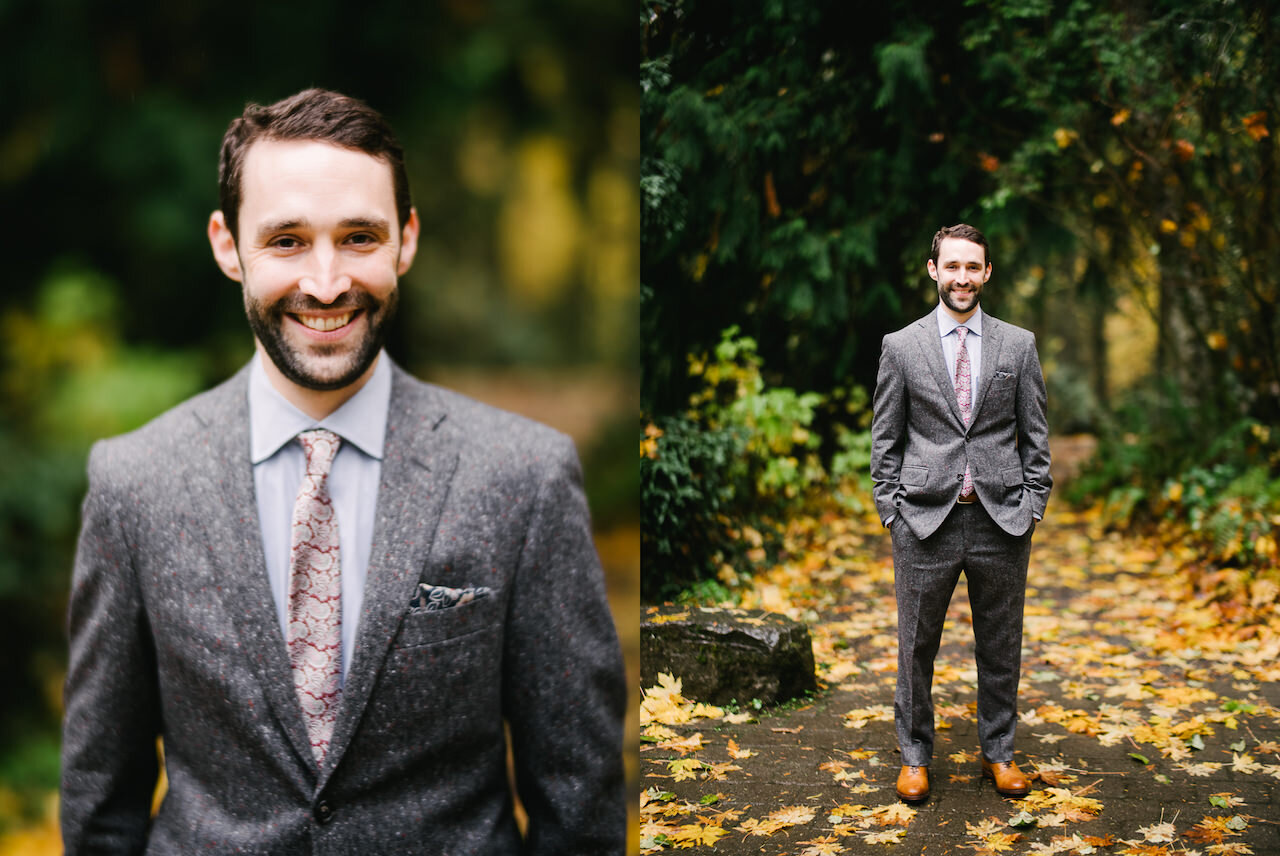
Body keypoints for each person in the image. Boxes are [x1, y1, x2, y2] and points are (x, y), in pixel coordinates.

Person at [60, 88, 626, 854]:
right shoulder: (135, 484)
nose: (326, 284)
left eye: (359, 237)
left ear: (406, 240)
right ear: (228, 247)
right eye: (286, 240)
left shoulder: (525, 476)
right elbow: (102, 810)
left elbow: (579, 801)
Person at [869, 223, 1051, 803]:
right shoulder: (901, 346)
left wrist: (1033, 504)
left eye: (973, 267)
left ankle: (999, 753)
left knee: (1001, 645)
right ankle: (915, 757)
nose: (963, 277)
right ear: (933, 270)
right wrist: (890, 509)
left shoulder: (1017, 345)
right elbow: (885, 439)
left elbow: (1036, 435)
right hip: (924, 521)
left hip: (1002, 520)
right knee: (915, 647)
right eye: (953, 267)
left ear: (987, 273)